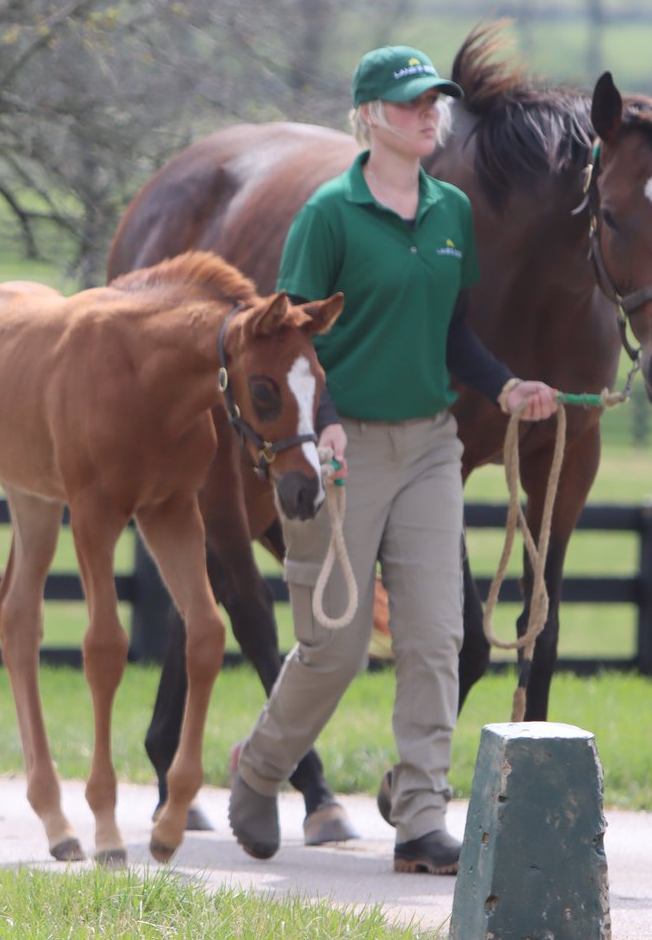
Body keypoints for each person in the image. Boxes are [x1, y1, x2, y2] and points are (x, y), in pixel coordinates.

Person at [227, 45, 559, 875]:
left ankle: (419, 818)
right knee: (333, 648)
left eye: (435, 102)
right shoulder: (328, 216)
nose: (429, 115)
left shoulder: (449, 211)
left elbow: (453, 332)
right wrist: (326, 423)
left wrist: (507, 386)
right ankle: (259, 769)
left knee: (436, 637)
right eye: (412, 103)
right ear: (370, 116)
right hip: (346, 450)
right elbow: (290, 340)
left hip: (431, 446)